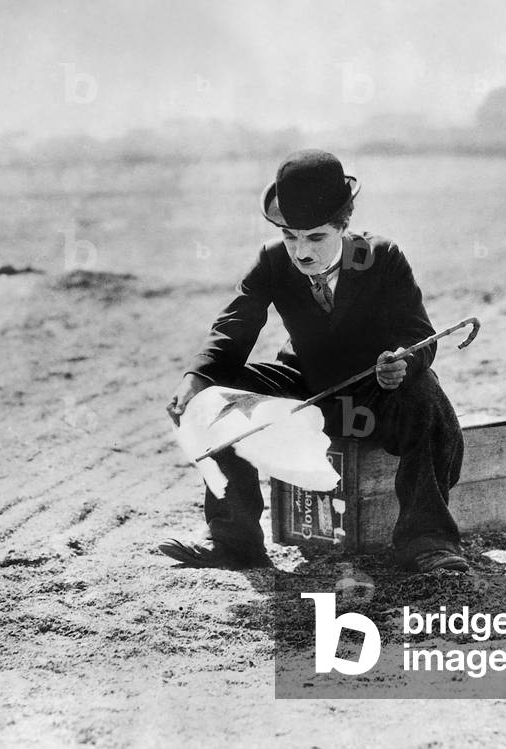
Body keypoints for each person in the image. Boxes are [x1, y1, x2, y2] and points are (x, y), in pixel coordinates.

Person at [159, 149, 468, 574]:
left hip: (376, 390)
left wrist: (403, 362)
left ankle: (427, 542)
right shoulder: (271, 261)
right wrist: (197, 379)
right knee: (213, 400)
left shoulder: (383, 258)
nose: (300, 252)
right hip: (305, 387)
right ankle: (237, 545)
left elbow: (418, 334)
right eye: (290, 236)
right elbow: (235, 325)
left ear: (343, 226)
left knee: (427, 395)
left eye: (315, 238)